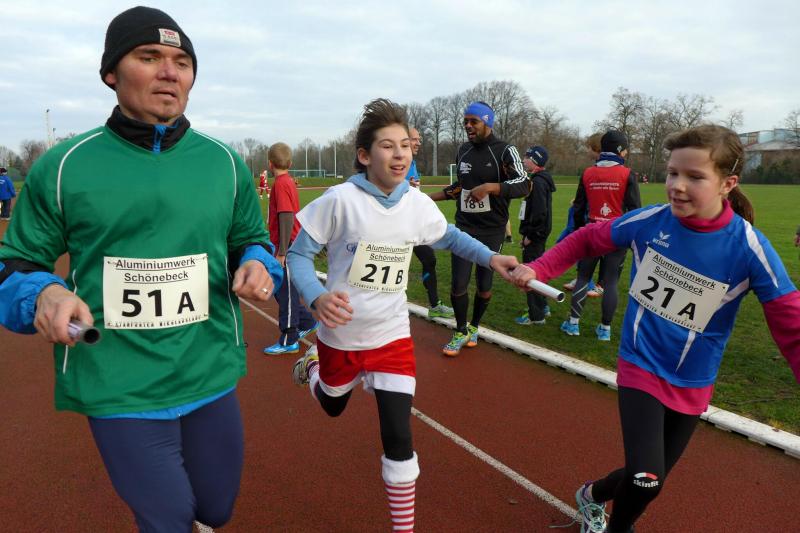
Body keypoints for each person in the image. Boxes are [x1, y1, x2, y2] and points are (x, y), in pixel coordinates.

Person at [0, 7, 283, 532]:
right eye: (149, 57)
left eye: (182, 62)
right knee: (169, 517)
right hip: (117, 379)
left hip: (208, 370)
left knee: (216, 511)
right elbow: (14, 264)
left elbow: (252, 241)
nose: (169, 72)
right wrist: (43, 293)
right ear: (112, 72)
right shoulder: (63, 166)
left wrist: (258, 263)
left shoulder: (224, 163)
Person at [511, 124, 800, 533]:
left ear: (728, 184)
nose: (677, 186)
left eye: (694, 177)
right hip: (641, 363)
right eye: (672, 173)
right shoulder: (650, 221)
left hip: (694, 380)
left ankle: (593, 494)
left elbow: (791, 324)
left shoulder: (749, 248)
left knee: (647, 476)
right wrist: (539, 268)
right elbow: (588, 239)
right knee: (646, 479)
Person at [287, 98, 520, 532]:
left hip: (392, 336)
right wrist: (316, 297)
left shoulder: (416, 204)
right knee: (333, 406)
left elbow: (451, 237)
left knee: (399, 437)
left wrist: (492, 258)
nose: (400, 155)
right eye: (387, 146)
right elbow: (298, 255)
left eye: (405, 146)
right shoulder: (339, 201)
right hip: (341, 335)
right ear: (364, 155)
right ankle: (314, 366)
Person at [429, 101, 530, 356]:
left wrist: (491, 187)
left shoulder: (505, 150)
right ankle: (460, 330)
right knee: (458, 284)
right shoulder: (463, 151)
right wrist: (427, 198)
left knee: (484, 286)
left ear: (487, 122)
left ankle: (474, 326)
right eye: (465, 122)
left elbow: (524, 183)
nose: (468, 126)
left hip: (492, 229)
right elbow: (459, 188)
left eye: (473, 121)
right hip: (464, 228)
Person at [561, 130, 641, 341]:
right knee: (611, 282)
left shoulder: (588, 173)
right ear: (621, 150)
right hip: (617, 234)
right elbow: (635, 210)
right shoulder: (628, 174)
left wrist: (579, 231)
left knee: (583, 277)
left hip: (592, 231)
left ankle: (573, 324)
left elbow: (578, 207)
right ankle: (605, 329)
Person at [263, 142, 318, 355]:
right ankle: (306, 321)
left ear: (270, 164)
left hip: (286, 246)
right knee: (281, 288)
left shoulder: (281, 184)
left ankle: (289, 339)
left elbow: (286, 216)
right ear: (291, 163)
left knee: (285, 292)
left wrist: (282, 252)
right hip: (285, 244)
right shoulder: (286, 182)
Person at [406, 126, 453, 319]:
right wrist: (404, 186)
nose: (419, 142)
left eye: (419, 139)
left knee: (429, 260)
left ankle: (434, 305)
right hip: (397, 226)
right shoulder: (396, 163)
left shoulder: (411, 162)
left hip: (414, 224)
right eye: (414, 139)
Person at [514, 145, 555, 325]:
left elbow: (539, 213)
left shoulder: (538, 182)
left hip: (535, 235)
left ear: (535, 160)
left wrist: (530, 235)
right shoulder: (539, 180)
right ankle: (543, 307)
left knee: (529, 273)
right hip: (538, 234)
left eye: (527, 157)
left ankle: (536, 315)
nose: (523, 160)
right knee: (538, 270)